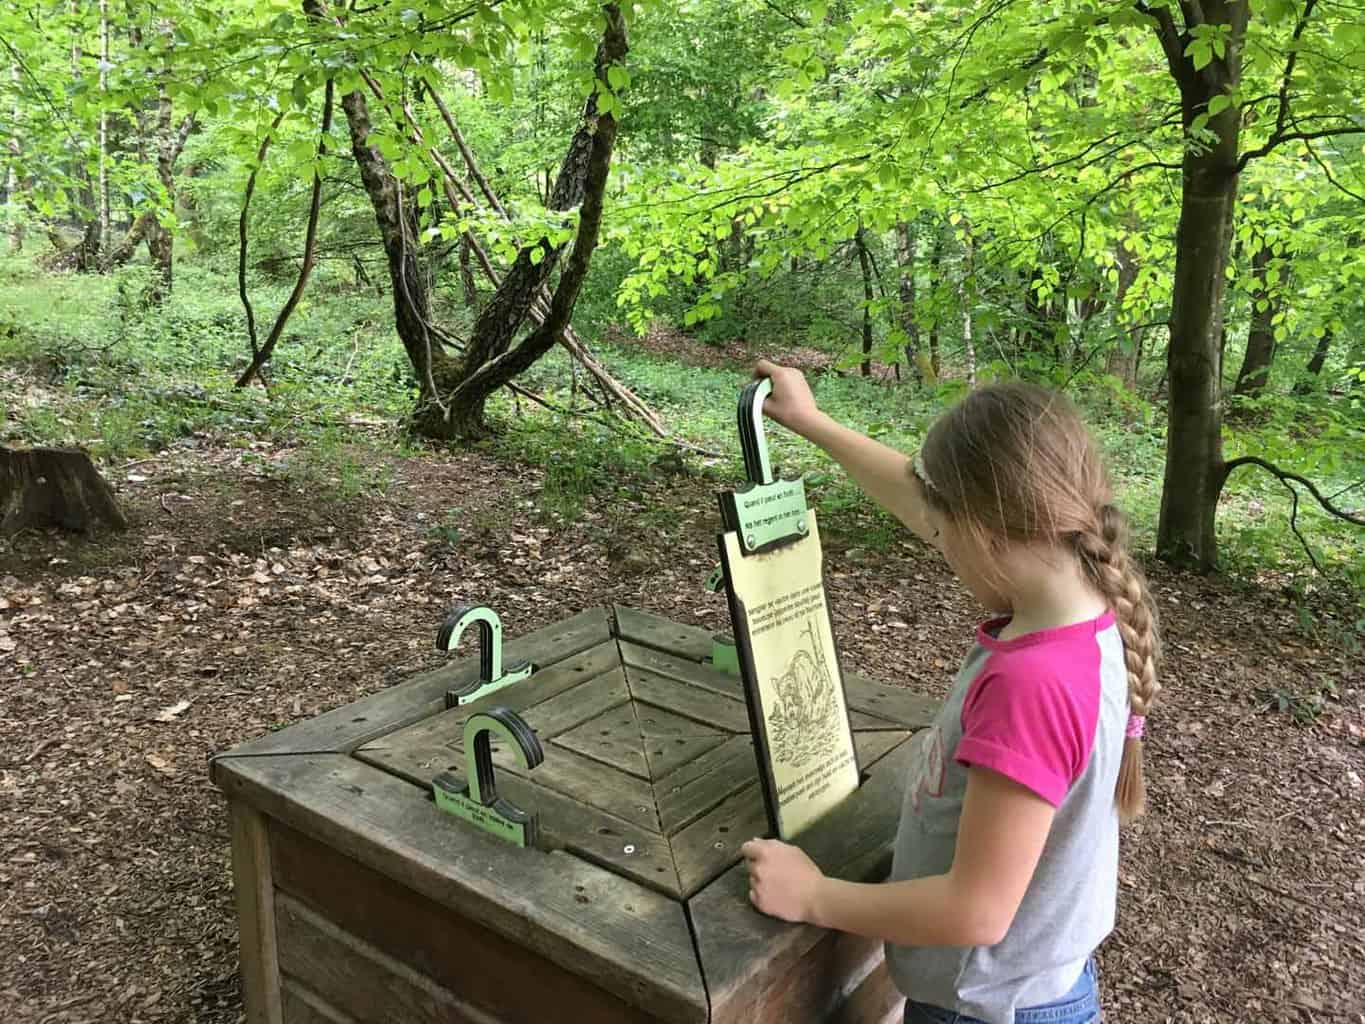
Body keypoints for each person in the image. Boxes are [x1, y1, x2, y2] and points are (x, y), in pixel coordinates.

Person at [740, 360, 1160, 1024]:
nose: (934, 540)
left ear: (986, 526)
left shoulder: (1031, 685)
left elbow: (975, 909)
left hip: (981, 1011)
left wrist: (814, 896)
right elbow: (921, 498)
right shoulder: (1085, 597)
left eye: (942, 530)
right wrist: (809, 422)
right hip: (1027, 990)